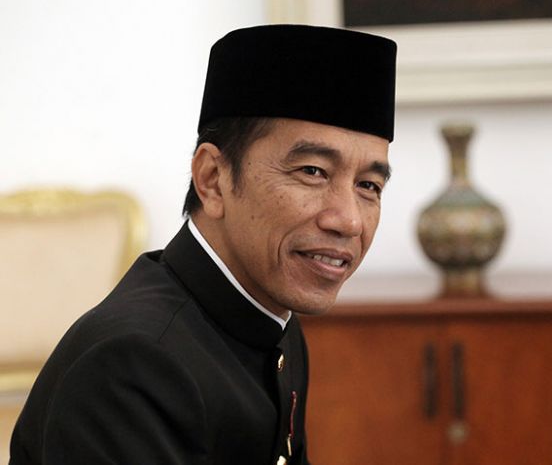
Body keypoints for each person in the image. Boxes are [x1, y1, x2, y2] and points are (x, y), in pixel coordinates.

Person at [10, 24, 396, 465]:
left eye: (369, 185)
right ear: (212, 179)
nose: (348, 219)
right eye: (312, 171)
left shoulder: (276, 323)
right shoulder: (133, 366)